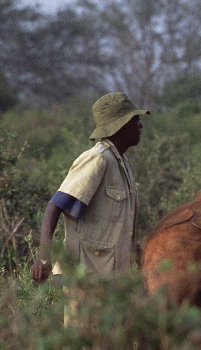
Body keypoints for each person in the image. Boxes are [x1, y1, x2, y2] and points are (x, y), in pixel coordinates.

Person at [31, 92, 149, 285]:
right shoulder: (98, 159)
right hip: (85, 275)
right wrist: (44, 257)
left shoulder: (122, 163)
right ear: (120, 126)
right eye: (135, 120)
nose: (140, 125)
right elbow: (55, 206)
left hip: (113, 278)